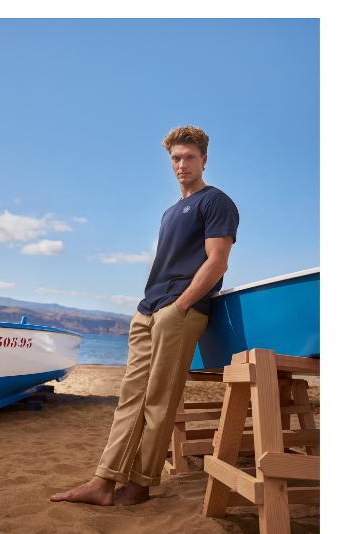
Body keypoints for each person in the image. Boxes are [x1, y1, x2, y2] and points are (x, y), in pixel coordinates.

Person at [50, 126, 239, 506]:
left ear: (204, 159)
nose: (181, 164)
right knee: (130, 397)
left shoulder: (216, 202)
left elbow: (217, 262)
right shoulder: (170, 212)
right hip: (148, 310)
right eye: (175, 158)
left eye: (188, 157)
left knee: (159, 399)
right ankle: (104, 481)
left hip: (179, 312)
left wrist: (181, 305)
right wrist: (151, 307)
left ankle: (140, 483)